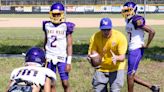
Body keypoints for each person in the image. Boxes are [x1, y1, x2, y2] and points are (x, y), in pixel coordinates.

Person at [121, 1, 159, 92]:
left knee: (130, 75)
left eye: (128, 10)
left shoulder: (136, 19)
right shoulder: (129, 19)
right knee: (130, 75)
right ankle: (153, 87)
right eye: (125, 10)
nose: (126, 12)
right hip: (132, 49)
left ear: (134, 10)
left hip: (136, 49)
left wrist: (147, 45)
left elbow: (152, 31)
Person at [88, 17, 128, 92]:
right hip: (101, 68)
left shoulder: (120, 37)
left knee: (115, 90)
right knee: (99, 90)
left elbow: (123, 57)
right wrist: (91, 59)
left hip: (116, 67)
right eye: (103, 30)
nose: (106, 32)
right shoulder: (95, 37)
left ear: (111, 28)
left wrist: (116, 58)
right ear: (100, 29)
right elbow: (92, 53)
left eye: (108, 29)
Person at [43, 2, 75, 92]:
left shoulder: (66, 26)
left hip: (61, 57)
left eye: (58, 14)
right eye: (54, 14)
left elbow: (69, 45)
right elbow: (46, 41)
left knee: (65, 83)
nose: (56, 16)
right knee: (51, 83)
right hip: (49, 57)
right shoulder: (46, 25)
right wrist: (44, 55)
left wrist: (68, 62)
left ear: (62, 14)